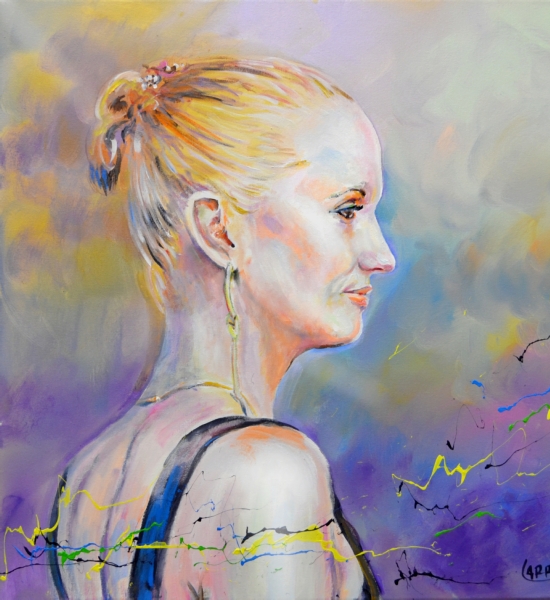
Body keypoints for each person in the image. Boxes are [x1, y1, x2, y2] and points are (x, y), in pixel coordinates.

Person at [49, 56, 395, 600]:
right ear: (220, 229)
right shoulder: (266, 474)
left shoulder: (87, 477)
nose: (382, 256)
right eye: (347, 210)